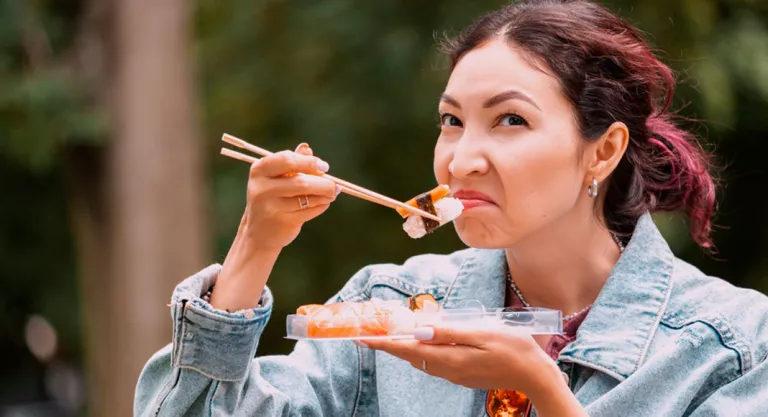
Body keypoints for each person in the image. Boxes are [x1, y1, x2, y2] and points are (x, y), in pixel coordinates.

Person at [134, 1, 768, 416]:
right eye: (451, 121)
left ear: (601, 152)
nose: (462, 158)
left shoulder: (730, 346)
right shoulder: (390, 309)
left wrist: (544, 392)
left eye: (510, 120)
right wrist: (255, 246)